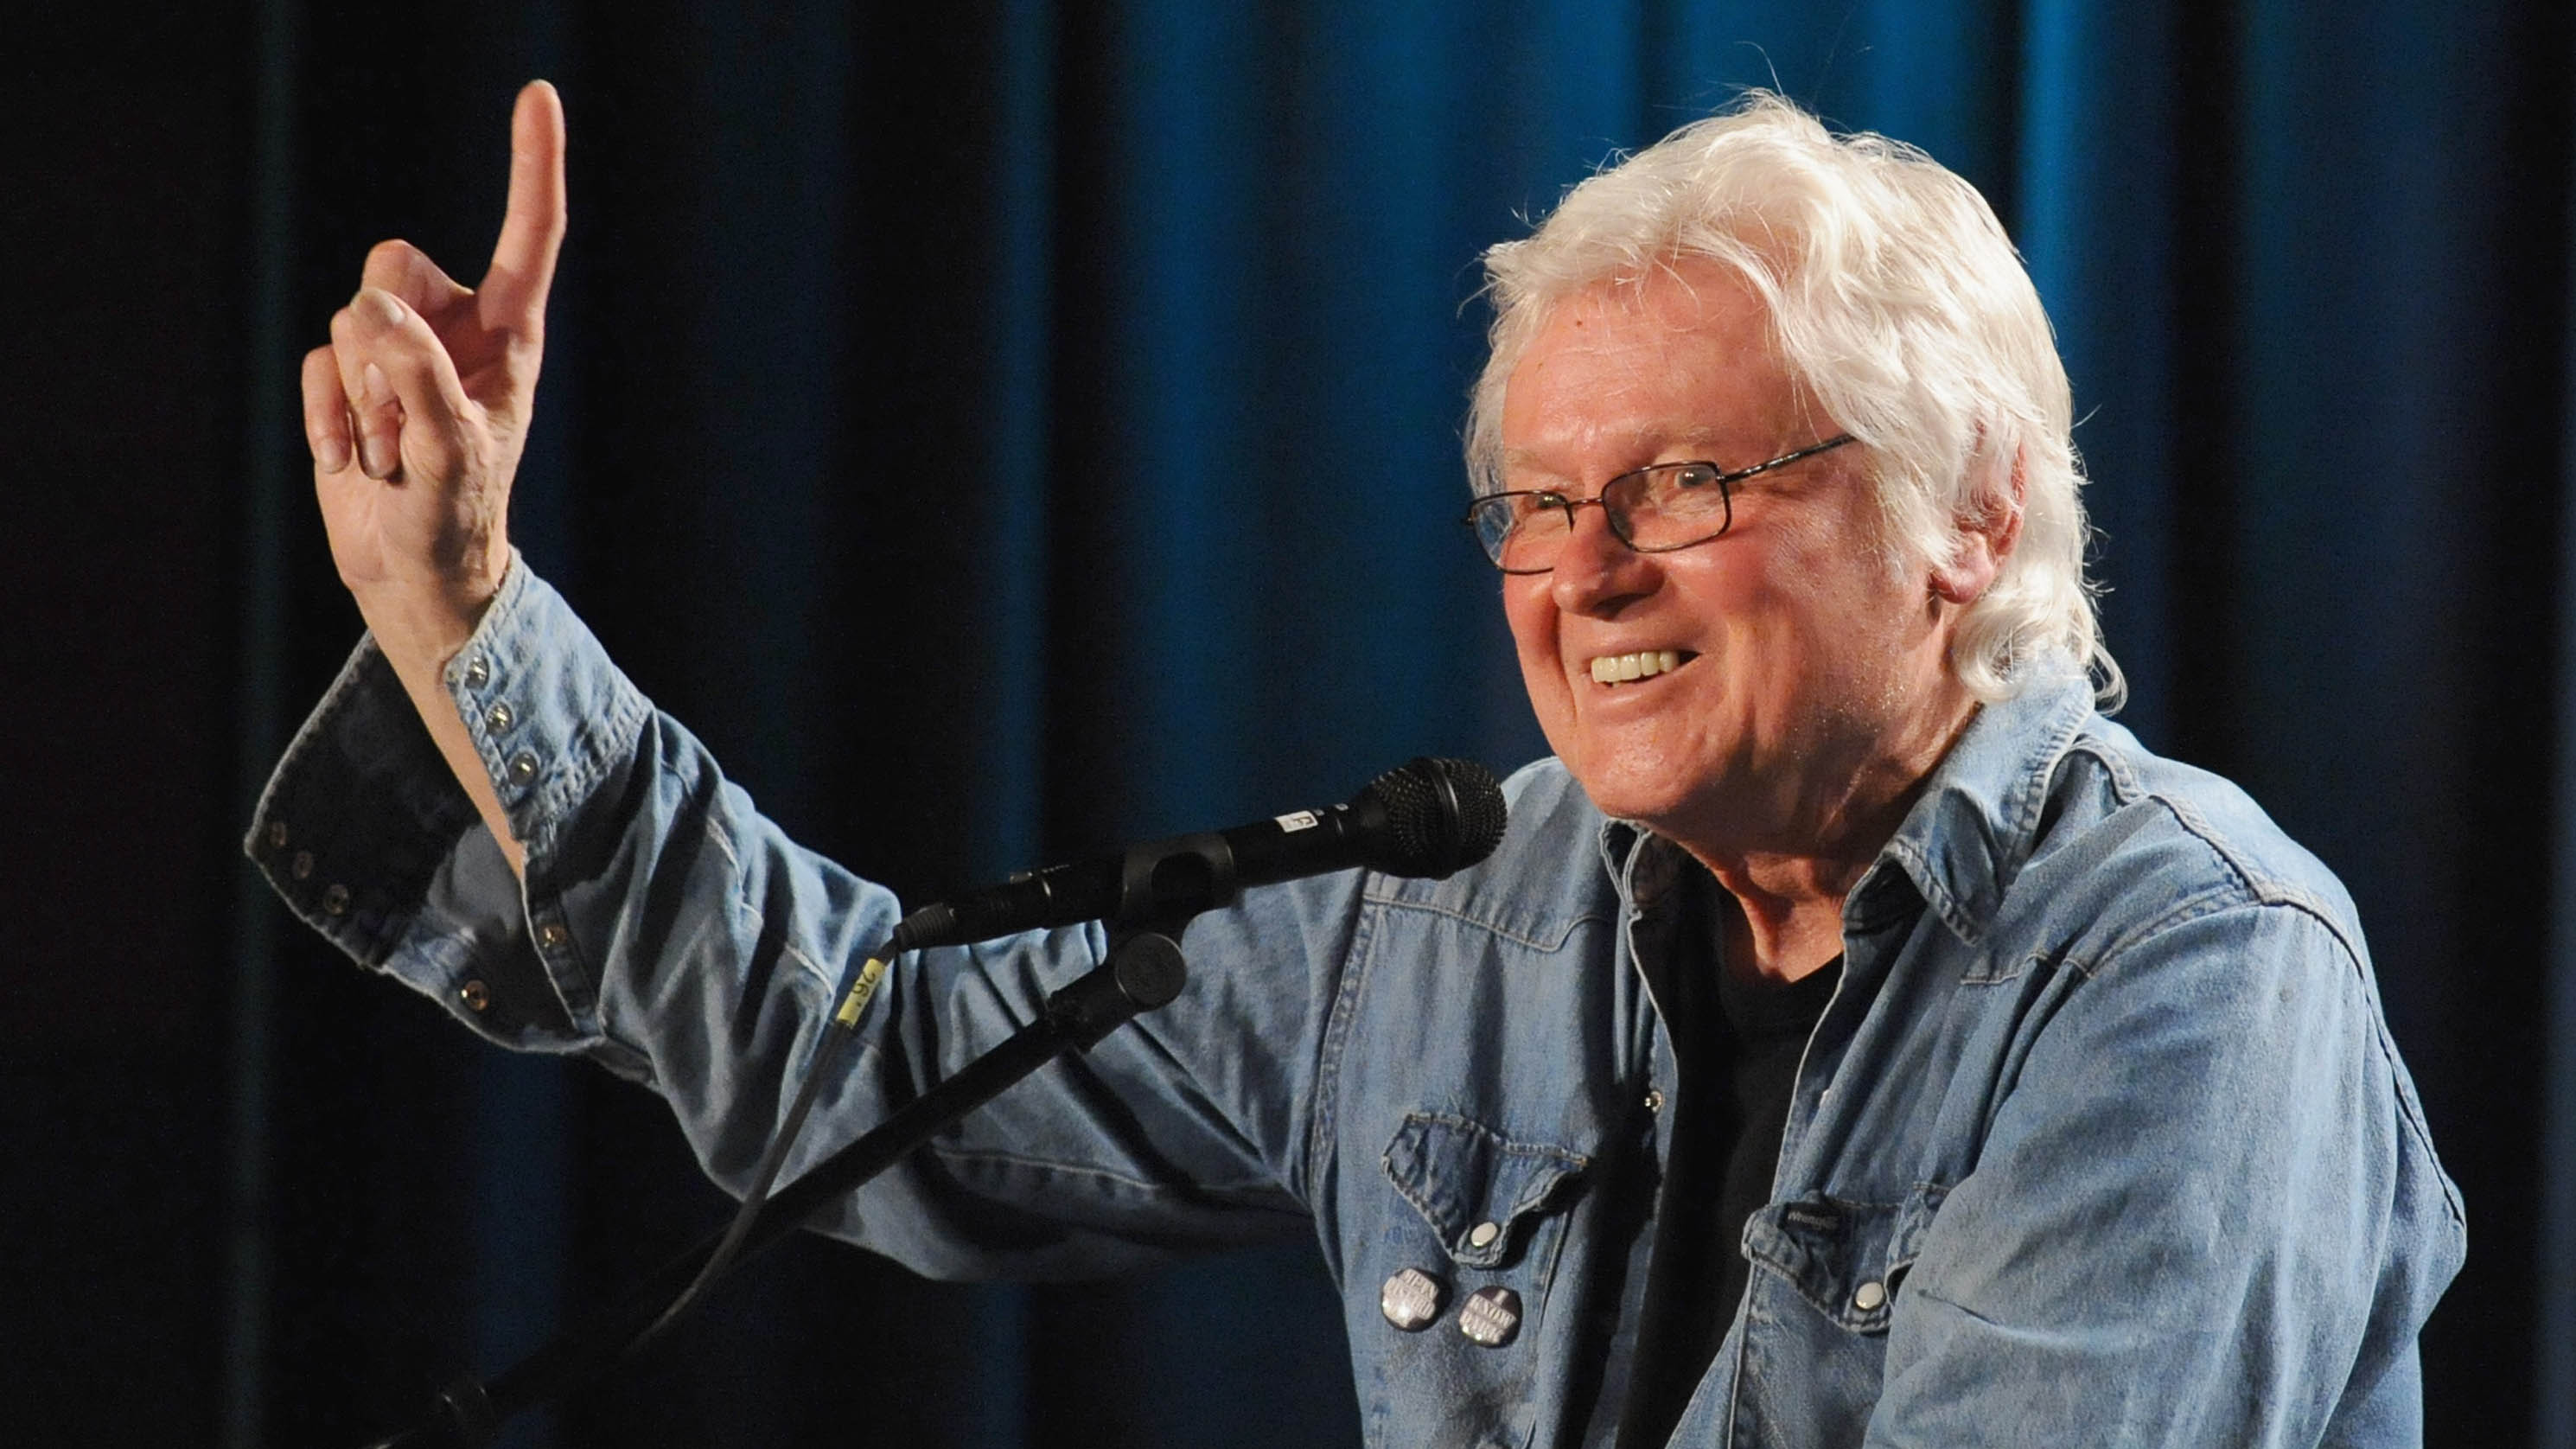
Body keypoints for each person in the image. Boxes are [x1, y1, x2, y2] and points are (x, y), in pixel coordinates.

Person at [254, 80, 2463, 1446]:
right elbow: (872, 1063)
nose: (1580, 573)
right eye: (1533, 499)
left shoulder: (2185, 978)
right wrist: (465, 618)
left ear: (1966, 508)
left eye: (1682, 482)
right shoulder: (1452, 902)